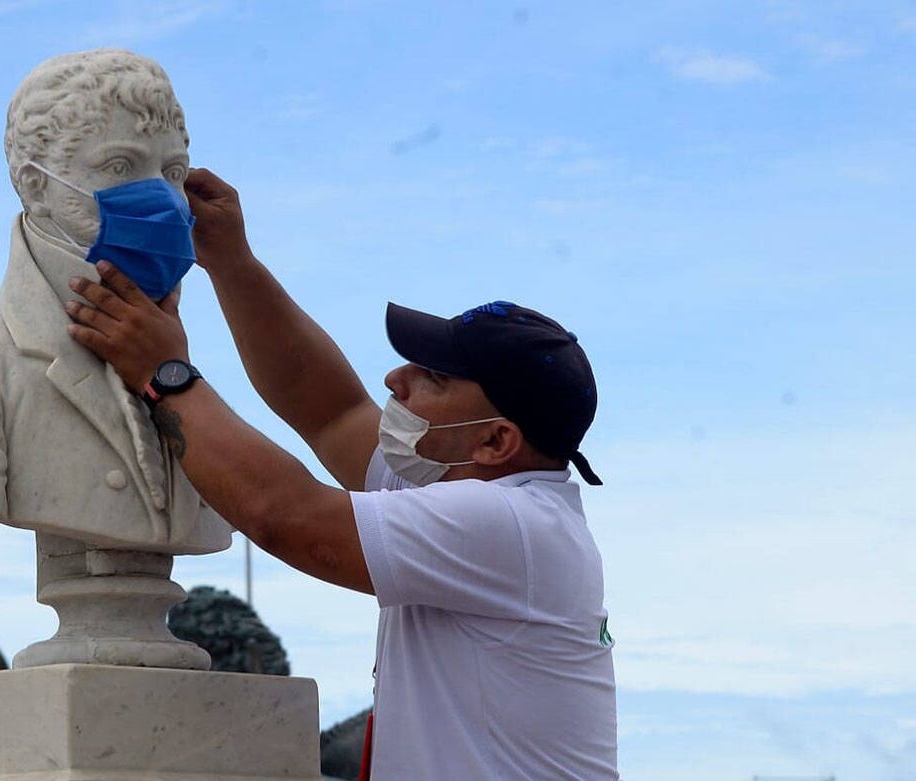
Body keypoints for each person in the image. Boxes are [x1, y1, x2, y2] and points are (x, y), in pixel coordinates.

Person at [63, 168, 618, 780]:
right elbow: (329, 411)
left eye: (433, 378)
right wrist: (231, 261)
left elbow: (288, 518)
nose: (394, 380)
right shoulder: (465, 488)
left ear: (495, 440)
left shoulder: (512, 523)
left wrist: (166, 375)